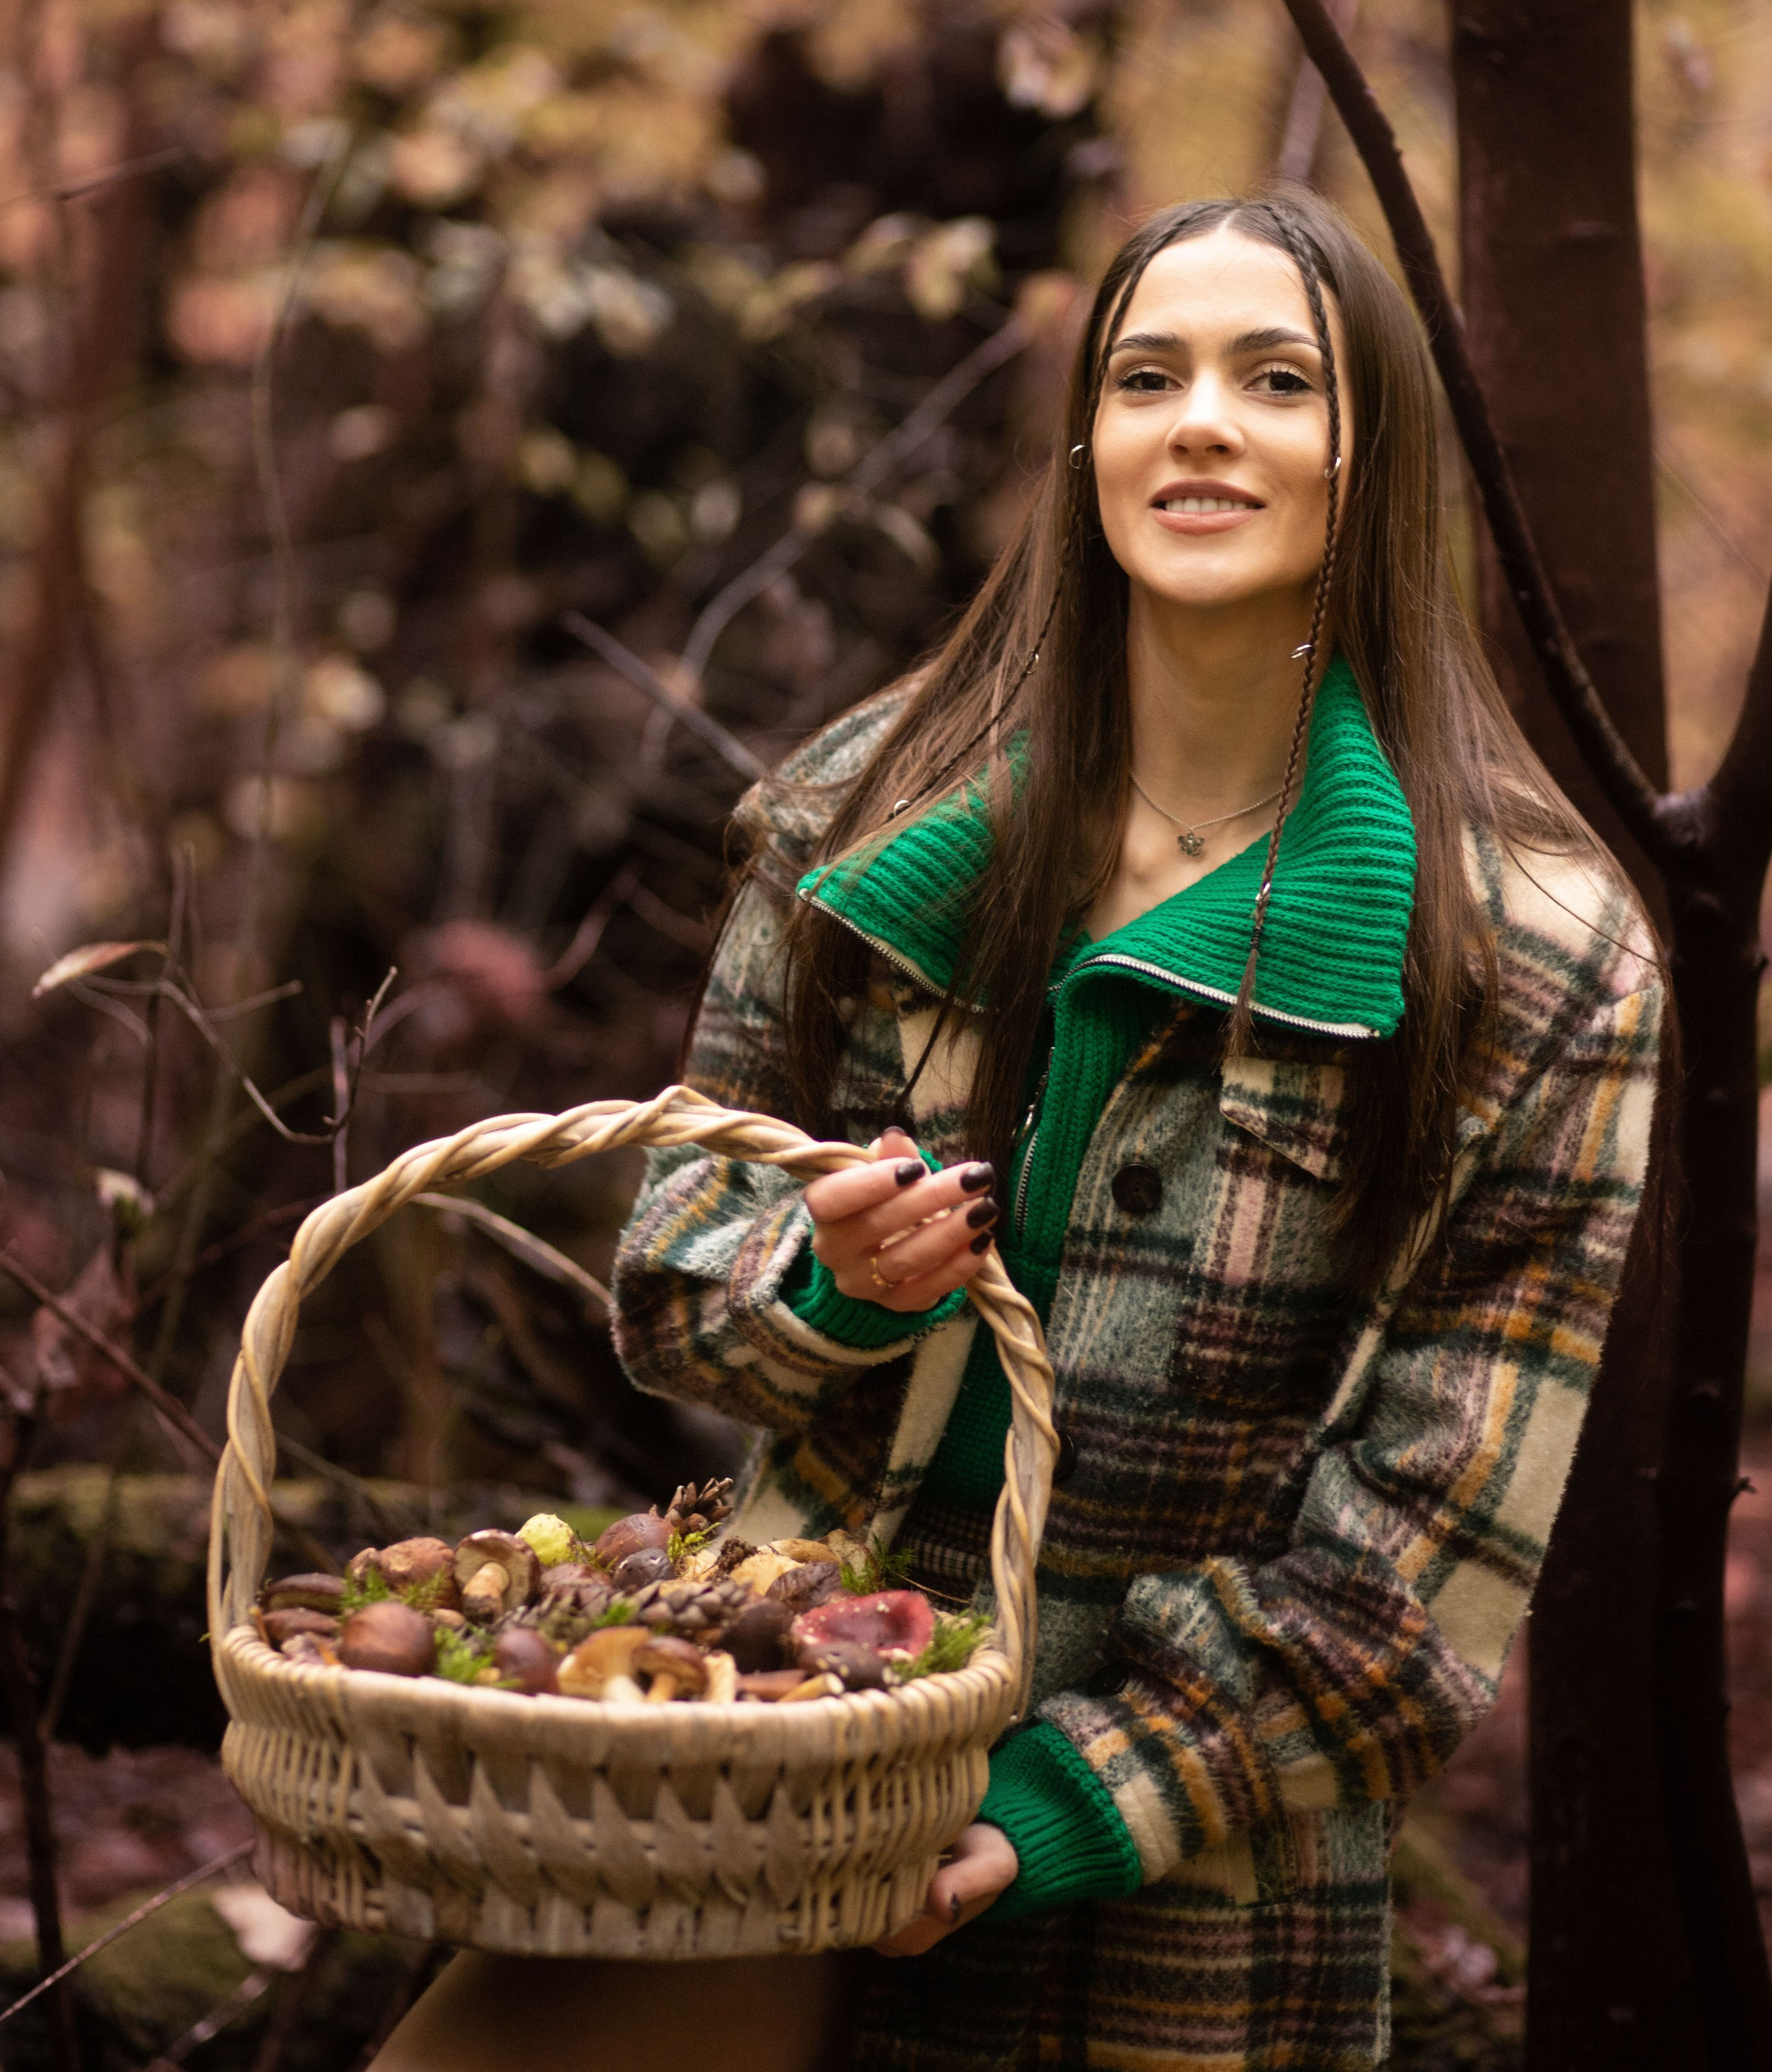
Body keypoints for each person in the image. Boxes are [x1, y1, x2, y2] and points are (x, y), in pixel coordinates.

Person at [377, 188, 1663, 2072]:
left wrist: (1054, 1810)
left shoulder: (1543, 968)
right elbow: (670, 1286)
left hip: (1191, 1893)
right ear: (1088, 446)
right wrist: (828, 1284)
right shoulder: (854, 815)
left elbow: (1422, 1571)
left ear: (1371, 465)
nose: (1199, 420)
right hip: (764, 1780)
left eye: (1276, 379)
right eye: (1149, 375)